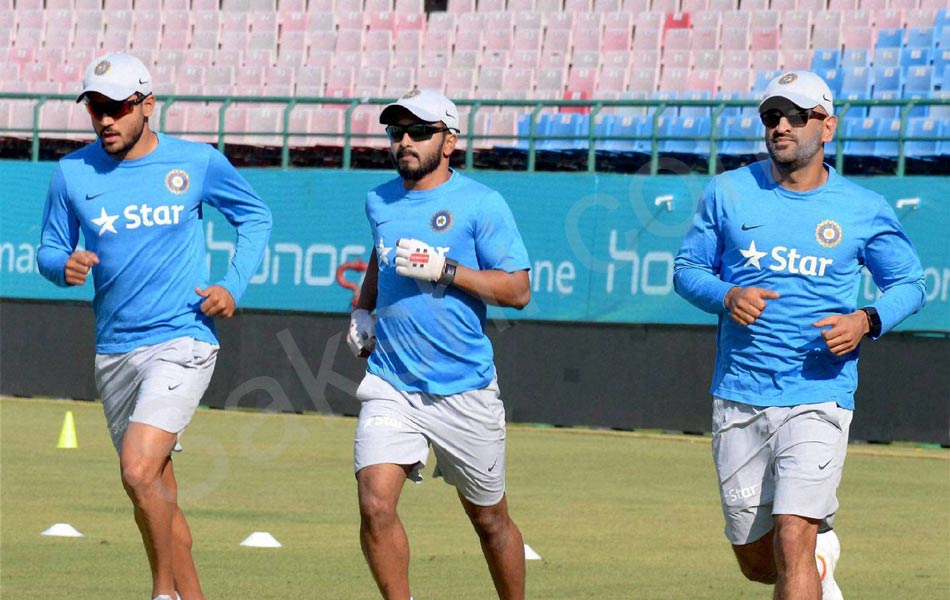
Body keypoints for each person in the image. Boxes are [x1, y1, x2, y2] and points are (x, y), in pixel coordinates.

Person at [673, 70, 925, 600]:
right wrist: (725, 295)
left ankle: (809, 555)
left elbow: (910, 282)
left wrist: (866, 321)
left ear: (826, 126)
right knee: (758, 563)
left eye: (793, 114)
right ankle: (819, 566)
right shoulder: (728, 191)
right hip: (740, 394)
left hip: (820, 393)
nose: (780, 126)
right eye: (771, 116)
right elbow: (686, 270)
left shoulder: (861, 207)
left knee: (794, 534)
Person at [37, 52, 272, 600]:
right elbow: (48, 249)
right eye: (95, 108)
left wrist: (233, 284)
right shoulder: (72, 173)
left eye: (116, 108)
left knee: (139, 472)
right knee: (157, 494)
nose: (104, 120)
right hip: (114, 351)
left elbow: (255, 217)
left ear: (147, 104)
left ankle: (160, 594)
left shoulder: (197, 162)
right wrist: (62, 266)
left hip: (182, 339)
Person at [346, 88, 531, 600]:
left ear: (449, 140)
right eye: (396, 132)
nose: (404, 141)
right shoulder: (379, 200)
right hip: (392, 382)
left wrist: (447, 271)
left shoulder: (481, 203)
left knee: (490, 520)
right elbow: (380, 259)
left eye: (419, 132)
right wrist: (363, 309)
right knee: (375, 503)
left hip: (464, 389)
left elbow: (517, 290)